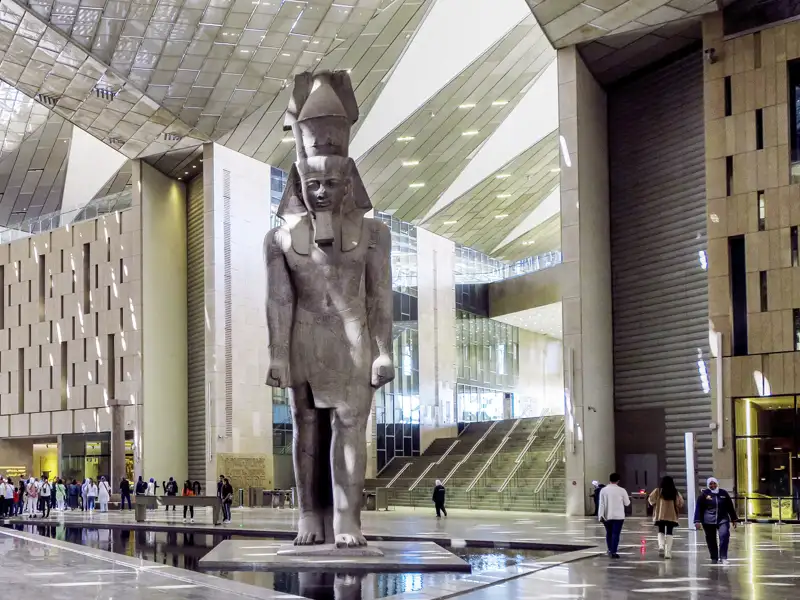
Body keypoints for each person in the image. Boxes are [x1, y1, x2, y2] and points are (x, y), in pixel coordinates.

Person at [694, 477, 739, 564]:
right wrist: (697, 521)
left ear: (717, 484)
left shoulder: (723, 493)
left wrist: (734, 519)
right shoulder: (704, 494)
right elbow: (699, 508)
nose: (713, 485)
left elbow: (730, 507)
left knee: (724, 536)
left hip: (723, 519)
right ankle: (714, 557)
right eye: (710, 484)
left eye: (714, 483)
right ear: (708, 485)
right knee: (711, 540)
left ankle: (723, 557)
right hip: (708, 521)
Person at [648, 475, 684, 559]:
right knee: (669, 532)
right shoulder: (675, 492)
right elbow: (680, 503)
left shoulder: (658, 491)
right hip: (671, 515)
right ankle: (668, 552)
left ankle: (661, 546)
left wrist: (654, 504)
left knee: (661, 530)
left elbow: (650, 500)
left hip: (660, 515)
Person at [597, 473, 630, 559]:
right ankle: (614, 551)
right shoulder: (622, 490)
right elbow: (627, 503)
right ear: (618, 480)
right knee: (616, 534)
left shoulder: (603, 490)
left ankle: (609, 549)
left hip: (607, 516)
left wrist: (600, 515)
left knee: (609, 533)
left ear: (609, 480)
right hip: (619, 516)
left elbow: (601, 504)